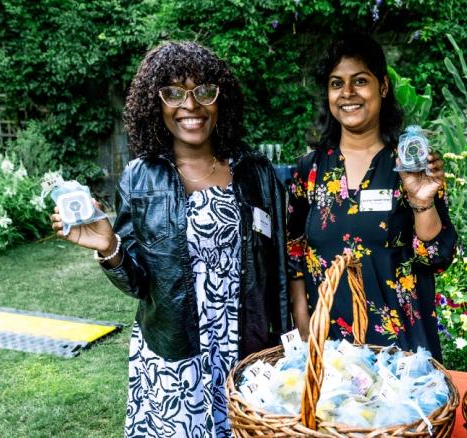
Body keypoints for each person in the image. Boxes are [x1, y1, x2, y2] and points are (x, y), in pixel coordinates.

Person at [50, 41, 289, 437]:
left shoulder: (256, 174)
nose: (190, 105)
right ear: (155, 104)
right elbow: (141, 283)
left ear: (220, 101)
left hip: (246, 348)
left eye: (204, 91)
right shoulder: (140, 179)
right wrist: (110, 247)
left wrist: (283, 347)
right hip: (174, 354)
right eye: (174, 92)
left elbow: (278, 271)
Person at [286, 33, 457, 361]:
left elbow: (436, 257)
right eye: (337, 84)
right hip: (329, 351)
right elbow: (294, 253)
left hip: (401, 353)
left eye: (359, 81)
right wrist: (305, 327)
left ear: (383, 86)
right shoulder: (309, 171)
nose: (347, 93)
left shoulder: (410, 166)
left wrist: (422, 201)